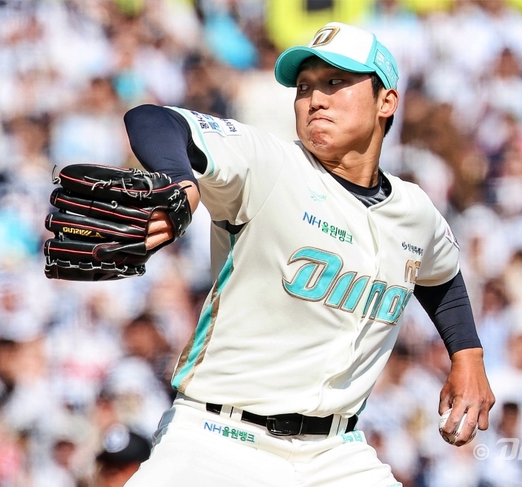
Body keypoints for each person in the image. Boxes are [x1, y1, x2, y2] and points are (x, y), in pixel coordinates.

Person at [121, 21, 494, 487]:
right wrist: (181, 180)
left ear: (386, 102)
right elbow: (154, 120)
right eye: (304, 87)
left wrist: (468, 355)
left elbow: (441, 276)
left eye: (336, 82)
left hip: (335, 452)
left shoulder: (414, 211)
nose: (316, 98)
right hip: (217, 438)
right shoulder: (270, 165)